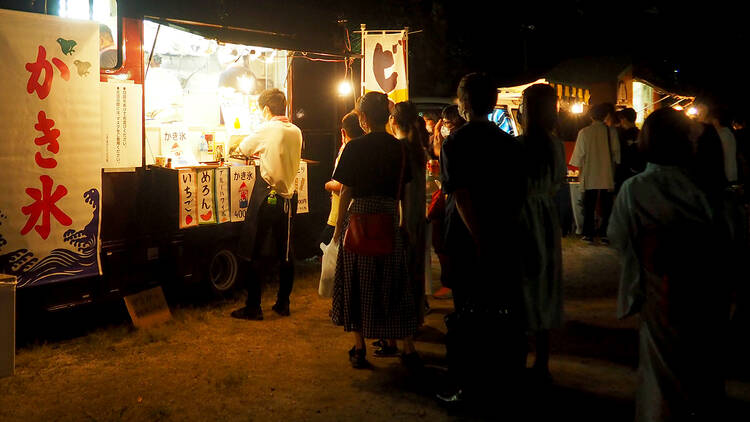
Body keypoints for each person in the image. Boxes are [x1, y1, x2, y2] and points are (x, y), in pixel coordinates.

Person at [608, 108, 732, 421]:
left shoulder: (635, 189)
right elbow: (730, 240)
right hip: (707, 292)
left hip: (659, 292)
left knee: (661, 376)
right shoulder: (710, 189)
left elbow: (619, 237)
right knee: (704, 368)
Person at [437, 73, 526, 404]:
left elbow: (459, 195)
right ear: (492, 103)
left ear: (462, 103)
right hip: (501, 234)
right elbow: (517, 193)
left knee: (465, 312)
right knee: (495, 308)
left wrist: (478, 236)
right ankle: (497, 380)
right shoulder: (508, 143)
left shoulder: (455, 142)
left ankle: (466, 385)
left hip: (466, 237)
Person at [330, 92, 419, 369]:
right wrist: (403, 223)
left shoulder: (355, 148)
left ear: (363, 118)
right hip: (390, 218)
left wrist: (337, 231)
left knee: (357, 282)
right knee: (394, 283)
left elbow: (346, 192)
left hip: (359, 220)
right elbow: (404, 189)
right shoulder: (400, 148)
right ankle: (407, 347)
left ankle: (359, 349)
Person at [231, 88, 302, 320]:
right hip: (288, 199)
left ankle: (253, 306)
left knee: (253, 250)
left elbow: (241, 149)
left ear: (265, 109)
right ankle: (283, 303)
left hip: (266, 196)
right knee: (286, 253)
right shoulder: (296, 131)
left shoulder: (266, 128)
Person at [517, 84, 566, 381]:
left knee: (522, 284)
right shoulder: (555, 145)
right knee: (546, 283)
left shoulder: (518, 145)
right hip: (546, 216)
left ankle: (521, 356)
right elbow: (559, 179)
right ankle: (543, 362)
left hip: (522, 216)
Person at [569, 103, 621, 243]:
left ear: (591, 116)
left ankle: (588, 234)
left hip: (590, 173)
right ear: (605, 116)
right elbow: (617, 156)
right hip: (607, 173)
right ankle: (605, 233)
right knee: (606, 205)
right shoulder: (612, 132)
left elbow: (578, 157)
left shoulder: (584, 132)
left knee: (589, 205)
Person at [320, 112, 365, 246]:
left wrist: (328, 185)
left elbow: (343, 186)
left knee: (328, 244)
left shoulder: (348, 150)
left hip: (340, 211)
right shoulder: (365, 149)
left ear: (343, 132)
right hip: (358, 213)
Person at [708, 105, 738, 184]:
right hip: (730, 172)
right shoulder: (726, 132)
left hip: (728, 173)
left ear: (715, 121)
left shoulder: (723, 133)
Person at [615, 107, 643, 192]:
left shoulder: (620, 135)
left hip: (623, 173)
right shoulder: (641, 134)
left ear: (624, 119)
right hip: (639, 172)